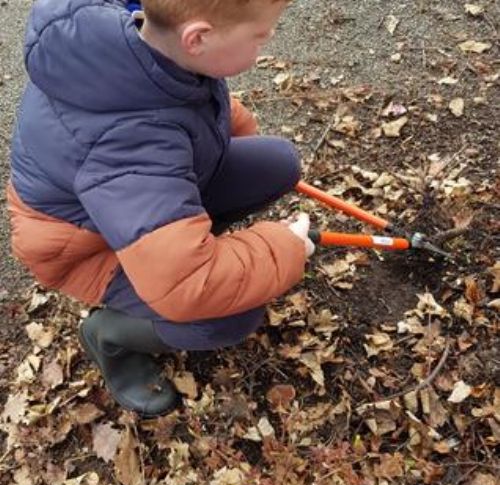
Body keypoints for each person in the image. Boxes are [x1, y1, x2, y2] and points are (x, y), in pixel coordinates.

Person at [8, 0, 315, 418]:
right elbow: (189, 284)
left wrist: (233, 129)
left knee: (277, 163)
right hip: (86, 247)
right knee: (227, 316)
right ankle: (109, 337)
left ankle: (178, 237)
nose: (270, 39)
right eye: (261, 35)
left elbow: (188, 103)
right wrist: (284, 247)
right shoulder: (131, 144)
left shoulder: (151, 47)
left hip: (132, 204)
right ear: (198, 38)